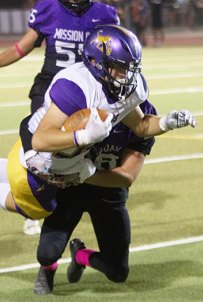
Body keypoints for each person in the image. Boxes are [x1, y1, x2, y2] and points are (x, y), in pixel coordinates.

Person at [0, 24, 196, 223]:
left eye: (131, 67)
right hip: (43, 156)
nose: (127, 74)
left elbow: (140, 127)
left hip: (67, 156)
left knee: (19, 173)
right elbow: (40, 139)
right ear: (98, 62)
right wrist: (83, 137)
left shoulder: (129, 88)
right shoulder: (76, 86)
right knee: (36, 209)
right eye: (120, 67)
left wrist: (166, 122)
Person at [0, 0, 120, 234]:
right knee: (41, 152)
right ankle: (30, 205)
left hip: (86, 91)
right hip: (51, 87)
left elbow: (115, 52)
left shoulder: (104, 15)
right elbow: (21, 48)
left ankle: (72, 197)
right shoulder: (48, 10)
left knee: (82, 149)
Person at [33, 100, 156, 295]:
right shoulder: (83, 96)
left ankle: (80, 255)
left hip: (108, 190)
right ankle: (48, 268)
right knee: (47, 254)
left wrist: (82, 174)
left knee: (118, 271)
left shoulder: (145, 115)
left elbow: (128, 176)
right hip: (70, 189)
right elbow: (44, 137)